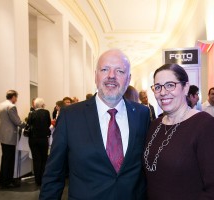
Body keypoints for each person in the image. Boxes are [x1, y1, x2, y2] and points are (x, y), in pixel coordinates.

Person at [40, 49, 150, 200]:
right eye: (105, 69)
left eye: (119, 71)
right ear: (95, 76)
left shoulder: (142, 114)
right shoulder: (70, 116)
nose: (111, 76)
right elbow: (54, 174)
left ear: (128, 78)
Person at [144, 64, 214, 200]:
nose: (163, 92)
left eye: (170, 85)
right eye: (158, 87)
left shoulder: (206, 126)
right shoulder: (155, 125)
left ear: (186, 88)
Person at [0, 90, 26, 189]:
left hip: (1, 135)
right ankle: (7, 182)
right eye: (16, 97)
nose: (17, 99)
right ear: (13, 97)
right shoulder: (11, 106)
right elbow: (17, 121)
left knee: (5, 158)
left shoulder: (0, 105)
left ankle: (2, 181)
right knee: (9, 159)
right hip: (9, 136)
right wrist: (26, 124)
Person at [27, 98, 51, 186]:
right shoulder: (46, 112)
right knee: (44, 159)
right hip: (43, 139)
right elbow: (48, 124)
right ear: (42, 105)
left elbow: (28, 124)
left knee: (36, 159)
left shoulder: (31, 113)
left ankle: (38, 180)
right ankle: (43, 178)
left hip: (33, 139)